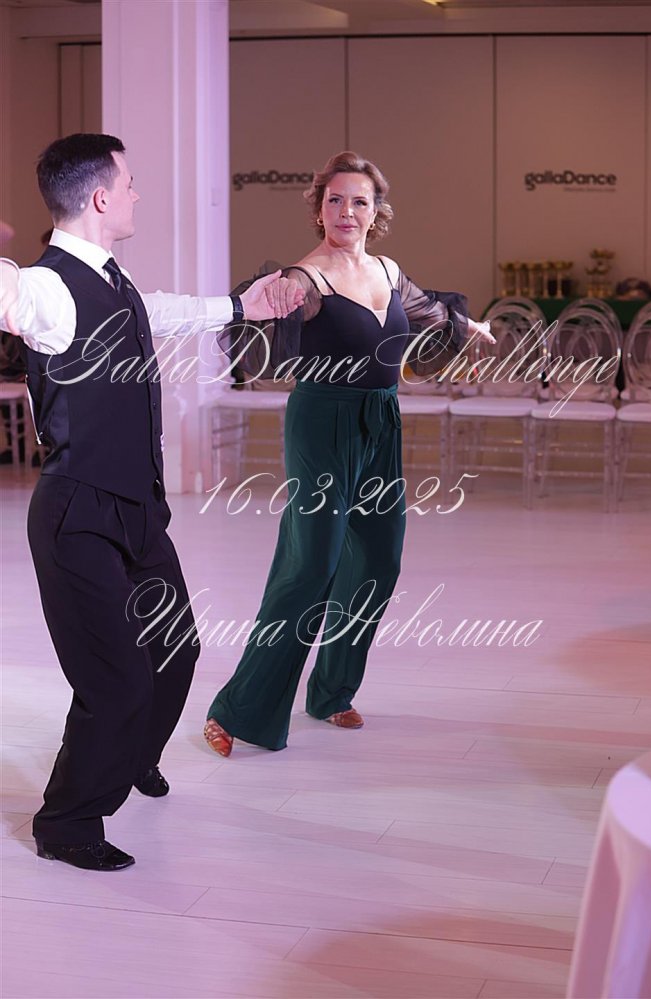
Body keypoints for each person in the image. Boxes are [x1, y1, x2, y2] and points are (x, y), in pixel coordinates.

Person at [0, 133, 304, 871]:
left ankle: (131, 753)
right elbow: (8, 295)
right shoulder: (44, 288)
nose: (137, 194)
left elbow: (157, 312)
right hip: (78, 514)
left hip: (135, 506)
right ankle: (66, 823)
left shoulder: (114, 279)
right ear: (101, 197)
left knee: (175, 648)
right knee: (114, 678)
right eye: (129, 183)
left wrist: (240, 305)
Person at [204, 150, 495, 757]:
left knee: (378, 560)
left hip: (381, 421)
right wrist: (270, 300)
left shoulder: (387, 270)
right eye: (334, 199)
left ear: (375, 210)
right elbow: (263, 319)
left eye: (358, 201)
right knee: (311, 564)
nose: (346, 211)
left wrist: (468, 326)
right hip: (322, 424)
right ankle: (237, 709)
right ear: (318, 209)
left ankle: (332, 690)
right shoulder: (307, 278)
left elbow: (427, 310)